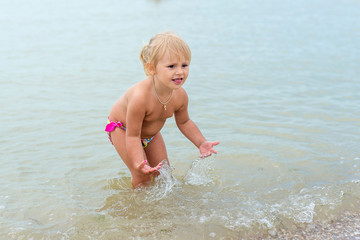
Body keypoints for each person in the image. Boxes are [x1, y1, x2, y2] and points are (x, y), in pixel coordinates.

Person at [105, 32, 219, 188]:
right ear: (152, 68)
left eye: (184, 65)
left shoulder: (180, 96)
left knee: (164, 175)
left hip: (150, 134)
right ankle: (139, 210)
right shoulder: (140, 98)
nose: (180, 71)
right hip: (124, 131)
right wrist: (139, 162)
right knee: (142, 176)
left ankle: (160, 211)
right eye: (171, 66)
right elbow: (133, 136)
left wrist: (201, 142)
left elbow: (184, 122)